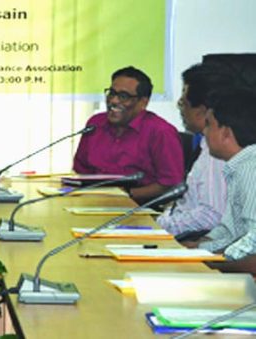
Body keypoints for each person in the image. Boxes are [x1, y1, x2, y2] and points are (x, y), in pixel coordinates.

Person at [73, 66, 184, 204]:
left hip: (140, 207)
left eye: (123, 96)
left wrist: (125, 195)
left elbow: (171, 183)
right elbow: (81, 168)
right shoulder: (96, 123)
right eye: (111, 93)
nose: (113, 101)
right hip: (93, 202)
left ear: (143, 102)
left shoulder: (161, 132)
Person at [182, 87, 256, 272]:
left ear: (225, 133)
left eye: (208, 124)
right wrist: (197, 248)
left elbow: (252, 246)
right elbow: (230, 231)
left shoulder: (249, 169)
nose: (204, 132)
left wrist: (213, 262)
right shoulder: (238, 167)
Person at [156, 64, 233, 237]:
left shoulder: (218, 154)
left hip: (191, 241)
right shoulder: (205, 145)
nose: (179, 105)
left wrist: (162, 225)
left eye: (184, 100)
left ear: (203, 111)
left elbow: (212, 215)